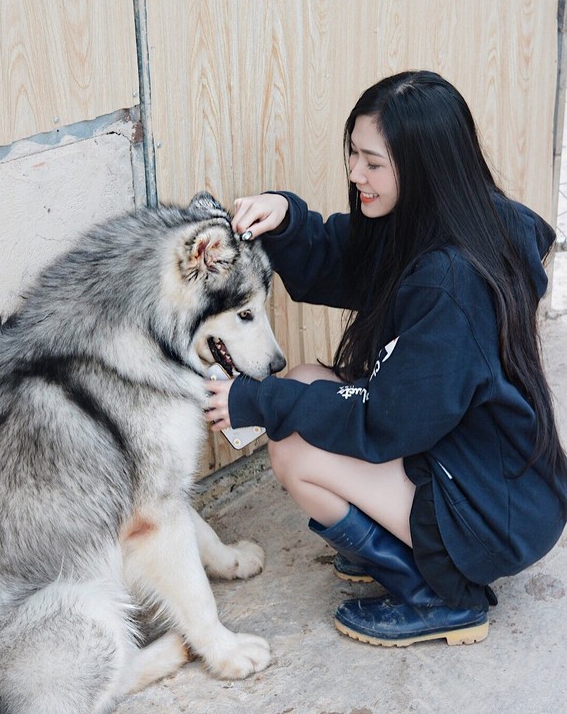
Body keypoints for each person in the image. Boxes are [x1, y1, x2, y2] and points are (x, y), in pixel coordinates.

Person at [205, 70, 567, 647]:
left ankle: (438, 597)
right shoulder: (444, 224)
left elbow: (385, 420)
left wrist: (257, 399)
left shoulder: (451, 281)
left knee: (292, 445)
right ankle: (403, 544)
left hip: (492, 511)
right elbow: (342, 254)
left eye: (373, 163)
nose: (355, 174)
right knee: (303, 383)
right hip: (485, 467)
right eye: (353, 154)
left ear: (422, 168)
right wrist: (287, 218)